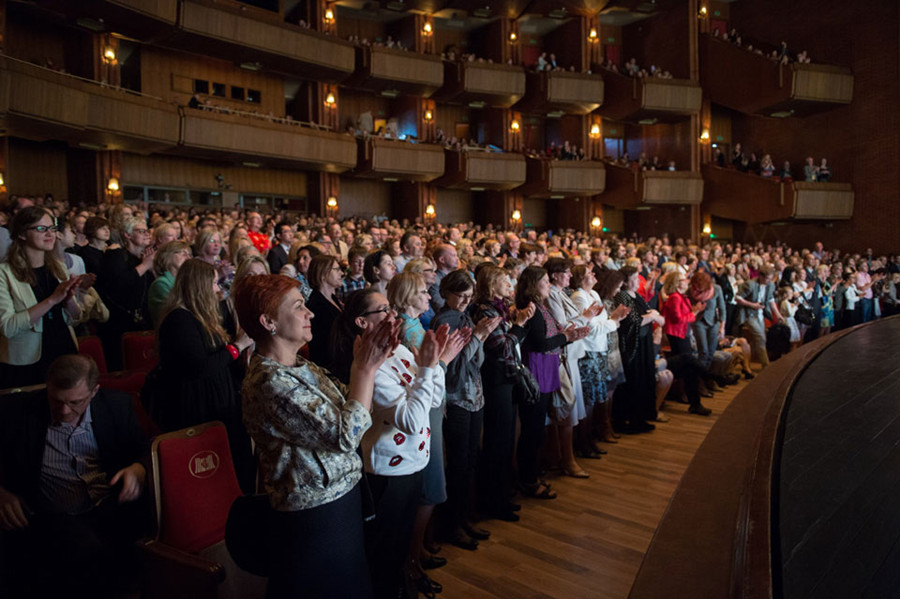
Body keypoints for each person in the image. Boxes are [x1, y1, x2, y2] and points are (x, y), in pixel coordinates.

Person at [235, 276, 398, 599]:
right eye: (298, 307)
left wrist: (370, 364)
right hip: (312, 520)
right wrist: (364, 369)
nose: (310, 313)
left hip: (341, 504)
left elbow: (349, 404)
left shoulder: (302, 366)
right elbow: (345, 433)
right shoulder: (269, 382)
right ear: (268, 322)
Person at [331, 289, 465, 599]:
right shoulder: (368, 365)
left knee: (402, 546)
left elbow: (431, 399)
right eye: (383, 311)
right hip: (388, 473)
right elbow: (411, 420)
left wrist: (436, 365)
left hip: (413, 462)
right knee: (384, 557)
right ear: (362, 322)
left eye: (392, 308)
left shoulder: (400, 350)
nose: (393, 315)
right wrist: (430, 368)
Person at [0, 354, 148, 597]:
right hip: (53, 516)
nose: (64, 411)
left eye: (75, 402)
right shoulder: (17, 410)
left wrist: (138, 470)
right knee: (86, 552)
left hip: (109, 505)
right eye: (56, 401)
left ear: (94, 391)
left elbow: (143, 449)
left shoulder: (116, 406)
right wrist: (2, 493)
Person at [147, 259, 254, 488]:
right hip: (197, 406)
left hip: (216, 401)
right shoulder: (179, 320)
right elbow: (199, 368)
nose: (218, 289)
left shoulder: (199, 315)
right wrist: (238, 346)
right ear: (199, 286)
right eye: (214, 283)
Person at [431, 270, 499, 549]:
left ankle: (463, 518)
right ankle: (452, 525)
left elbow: (475, 362)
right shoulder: (445, 320)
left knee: (471, 459)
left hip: (474, 396)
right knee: (459, 463)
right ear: (446, 292)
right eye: (460, 296)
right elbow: (453, 370)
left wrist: (479, 338)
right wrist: (479, 337)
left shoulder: (465, 316)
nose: (464, 301)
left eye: (469, 297)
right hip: (457, 398)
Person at [515, 266, 588, 499]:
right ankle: (527, 480)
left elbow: (550, 339)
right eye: (544, 280)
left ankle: (533, 475)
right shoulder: (531, 308)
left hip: (545, 370)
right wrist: (566, 337)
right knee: (532, 430)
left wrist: (569, 337)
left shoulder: (541, 305)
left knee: (537, 429)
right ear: (533, 284)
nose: (548, 284)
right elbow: (540, 344)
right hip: (536, 372)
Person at [470, 266, 534, 522]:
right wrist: (518, 326)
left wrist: (516, 323)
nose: (510, 285)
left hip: (505, 378)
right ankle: (493, 501)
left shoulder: (500, 309)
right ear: (491, 285)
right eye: (504, 281)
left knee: (507, 439)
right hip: (494, 380)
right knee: (497, 441)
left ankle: (502, 494)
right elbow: (499, 346)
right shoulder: (486, 311)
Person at [0, 207, 84, 388]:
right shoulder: (4, 273)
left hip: (63, 350)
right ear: (22, 234)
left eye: (52, 229)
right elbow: (7, 327)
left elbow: (76, 318)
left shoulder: (57, 267)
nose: (50, 234)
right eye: (41, 229)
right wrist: (52, 300)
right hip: (28, 362)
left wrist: (69, 300)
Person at [570, 265, 629, 454]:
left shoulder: (594, 294)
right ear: (581, 280)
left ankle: (591, 438)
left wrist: (613, 318)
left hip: (600, 348)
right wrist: (614, 322)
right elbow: (591, 328)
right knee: (588, 398)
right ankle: (583, 442)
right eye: (589, 274)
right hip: (589, 351)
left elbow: (602, 321)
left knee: (596, 397)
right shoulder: (579, 297)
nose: (594, 275)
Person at [97, 215, 155, 371]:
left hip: (143, 321)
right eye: (141, 231)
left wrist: (151, 268)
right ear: (127, 235)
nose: (147, 234)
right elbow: (119, 284)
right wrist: (145, 265)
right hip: (120, 323)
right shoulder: (115, 255)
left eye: (147, 231)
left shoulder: (145, 258)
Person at [613, 266, 666, 431]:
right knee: (633, 380)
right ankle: (628, 420)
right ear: (626, 281)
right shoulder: (622, 295)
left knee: (644, 379)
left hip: (643, 343)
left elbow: (648, 312)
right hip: (632, 345)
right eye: (635, 278)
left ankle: (641, 418)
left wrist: (652, 316)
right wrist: (652, 317)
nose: (638, 281)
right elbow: (633, 321)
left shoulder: (636, 295)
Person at [734, 267, 780, 369]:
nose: (769, 281)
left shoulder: (770, 285)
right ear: (760, 276)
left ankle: (747, 364)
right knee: (760, 337)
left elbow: (770, 300)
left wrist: (778, 315)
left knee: (760, 339)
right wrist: (752, 305)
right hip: (748, 314)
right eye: (767, 279)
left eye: (770, 279)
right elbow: (737, 298)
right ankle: (766, 365)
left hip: (760, 314)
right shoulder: (750, 284)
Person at [305, 254, 344, 368]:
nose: (341, 273)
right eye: (336, 269)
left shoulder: (333, 298)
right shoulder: (316, 305)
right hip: (328, 366)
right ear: (322, 273)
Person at [660, 271, 705, 356]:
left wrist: (695, 311)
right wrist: (693, 313)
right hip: (677, 333)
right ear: (677, 283)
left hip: (682, 332)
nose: (687, 281)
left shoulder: (681, 296)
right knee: (684, 359)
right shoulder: (675, 298)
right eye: (683, 279)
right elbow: (678, 318)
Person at [147, 240, 191, 326]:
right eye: (183, 253)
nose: (188, 258)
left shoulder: (186, 281)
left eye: (189, 254)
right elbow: (174, 314)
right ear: (168, 255)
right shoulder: (161, 284)